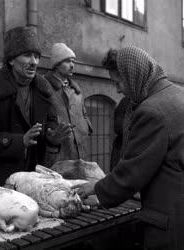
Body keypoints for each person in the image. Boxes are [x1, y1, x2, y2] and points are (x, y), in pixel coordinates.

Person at [72, 46, 184, 249]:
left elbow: (133, 171)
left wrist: (96, 188)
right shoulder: (178, 94)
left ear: (134, 74)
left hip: (171, 220)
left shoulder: (152, 111)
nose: (117, 89)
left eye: (118, 81)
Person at [0, 26, 71, 187]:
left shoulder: (44, 91)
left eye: (37, 56)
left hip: (32, 182)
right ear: (11, 60)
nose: (34, 62)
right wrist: (20, 142)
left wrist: (52, 139)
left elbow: (50, 128)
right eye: (27, 55)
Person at [44, 43, 92, 167]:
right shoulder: (44, 87)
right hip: (58, 153)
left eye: (73, 62)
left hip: (80, 150)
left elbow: (83, 112)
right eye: (67, 61)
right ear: (56, 64)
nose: (72, 65)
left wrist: (86, 126)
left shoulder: (75, 89)